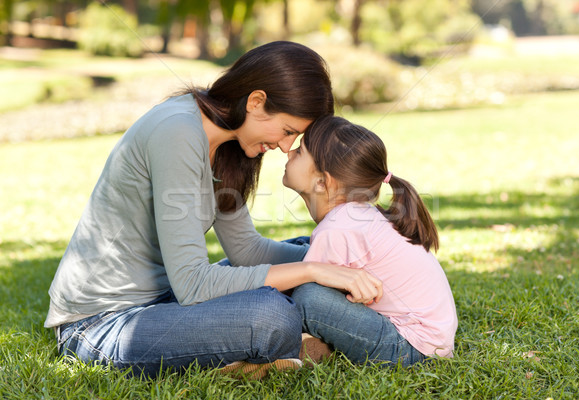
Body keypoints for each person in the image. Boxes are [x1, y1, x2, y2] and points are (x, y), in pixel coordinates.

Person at [45, 41, 383, 379]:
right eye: (287, 131)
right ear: (256, 102)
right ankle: (265, 349)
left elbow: (247, 251)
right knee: (271, 315)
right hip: (101, 324)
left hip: (167, 300)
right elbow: (193, 283)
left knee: (304, 247)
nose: (284, 147)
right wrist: (315, 271)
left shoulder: (226, 143)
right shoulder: (178, 132)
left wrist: (336, 260)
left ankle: (246, 356)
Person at [283, 115, 458, 367]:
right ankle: (317, 343)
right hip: (424, 338)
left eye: (299, 151)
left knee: (307, 297)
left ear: (322, 182)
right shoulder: (354, 216)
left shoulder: (338, 228)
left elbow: (300, 287)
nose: (288, 152)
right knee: (301, 247)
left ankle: (281, 345)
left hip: (411, 349)